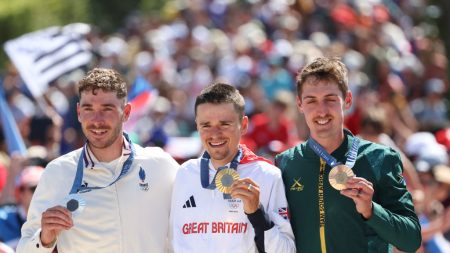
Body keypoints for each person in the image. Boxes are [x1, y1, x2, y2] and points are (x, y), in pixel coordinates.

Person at [16, 68, 179, 253]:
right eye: (88, 109)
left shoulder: (161, 165)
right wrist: (44, 238)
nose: (97, 120)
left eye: (107, 109)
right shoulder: (58, 172)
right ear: (78, 112)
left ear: (126, 112)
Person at [275, 57, 421, 253]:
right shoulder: (285, 163)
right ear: (300, 104)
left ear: (348, 101)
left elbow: (411, 240)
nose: (322, 111)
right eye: (311, 101)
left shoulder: (381, 158)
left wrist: (371, 210)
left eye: (330, 99)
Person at [170, 83, 295, 252]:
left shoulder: (267, 175)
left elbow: (286, 251)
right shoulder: (184, 173)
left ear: (243, 125)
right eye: (206, 125)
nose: (215, 134)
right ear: (197, 125)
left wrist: (257, 214)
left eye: (224, 124)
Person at [0, 165, 44, 249]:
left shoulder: (61, 218)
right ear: (20, 192)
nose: (40, 192)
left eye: (45, 188)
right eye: (34, 188)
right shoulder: (2, 221)